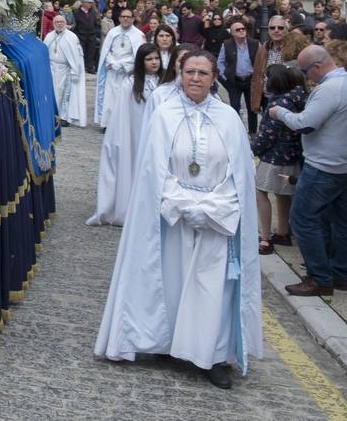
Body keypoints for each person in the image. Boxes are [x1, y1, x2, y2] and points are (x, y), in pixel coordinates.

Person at [95, 50, 262, 389]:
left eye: (203, 72)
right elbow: (153, 171)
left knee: (210, 289)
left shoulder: (229, 119)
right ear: (180, 73)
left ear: (214, 77)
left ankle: (211, 355)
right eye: (190, 72)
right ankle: (166, 343)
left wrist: (211, 208)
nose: (196, 78)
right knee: (170, 283)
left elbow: (240, 178)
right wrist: (184, 204)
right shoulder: (164, 115)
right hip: (174, 216)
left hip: (216, 219)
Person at [268, 45, 347, 296]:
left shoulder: (329, 90)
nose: (305, 77)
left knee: (302, 219)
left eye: (305, 71)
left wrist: (280, 112)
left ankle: (319, 278)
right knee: (345, 222)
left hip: (325, 166)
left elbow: (306, 123)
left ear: (316, 67)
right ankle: (339, 275)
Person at [89, 44, 161, 227]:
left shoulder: (164, 82)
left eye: (156, 58)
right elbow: (122, 113)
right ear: (141, 61)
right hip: (136, 133)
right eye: (149, 59)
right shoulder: (131, 83)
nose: (154, 62)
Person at [253, 65, 306, 256]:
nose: (264, 81)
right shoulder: (296, 99)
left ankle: (265, 238)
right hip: (291, 155)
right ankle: (283, 231)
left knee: (260, 192)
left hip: (275, 157)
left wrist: (253, 149)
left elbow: (268, 134)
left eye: (266, 78)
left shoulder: (279, 104)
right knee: (283, 194)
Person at [95, 8, 145, 131]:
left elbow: (138, 56)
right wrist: (111, 62)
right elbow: (105, 51)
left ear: (133, 19)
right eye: (123, 16)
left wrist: (122, 64)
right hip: (112, 72)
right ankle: (107, 124)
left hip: (127, 73)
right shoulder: (113, 32)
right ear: (119, 18)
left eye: (128, 17)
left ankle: (122, 126)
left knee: (125, 100)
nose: (125, 19)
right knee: (110, 99)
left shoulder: (138, 35)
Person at [215, 18, 260, 133]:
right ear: (232, 33)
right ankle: (238, 132)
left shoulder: (254, 43)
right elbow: (220, 62)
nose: (241, 31)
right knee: (235, 107)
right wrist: (225, 78)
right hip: (234, 81)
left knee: (252, 108)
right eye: (238, 29)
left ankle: (253, 132)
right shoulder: (227, 44)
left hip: (250, 80)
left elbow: (262, 60)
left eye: (243, 29)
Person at [44, 14, 86, 127]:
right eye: (57, 22)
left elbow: (76, 56)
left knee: (63, 94)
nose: (59, 24)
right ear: (53, 23)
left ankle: (63, 117)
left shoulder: (71, 37)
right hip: (51, 68)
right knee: (51, 92)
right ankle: (51, 115)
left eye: (61, 22)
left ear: (65, 23)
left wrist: (75, 71)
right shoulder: (49, 36)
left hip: (65, 69)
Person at [72, 0, 101, 74]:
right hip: (81, 35)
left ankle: (90, 67)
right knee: (81, 52)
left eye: (91, 3)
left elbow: (96, 23)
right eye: (89, 3)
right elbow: (75, 24)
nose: (90, 4)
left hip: (91, 35)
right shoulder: (77, 13)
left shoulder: (92, 12)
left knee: (91, 51)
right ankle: (81, 66)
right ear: (84, 3)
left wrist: (95, 31)